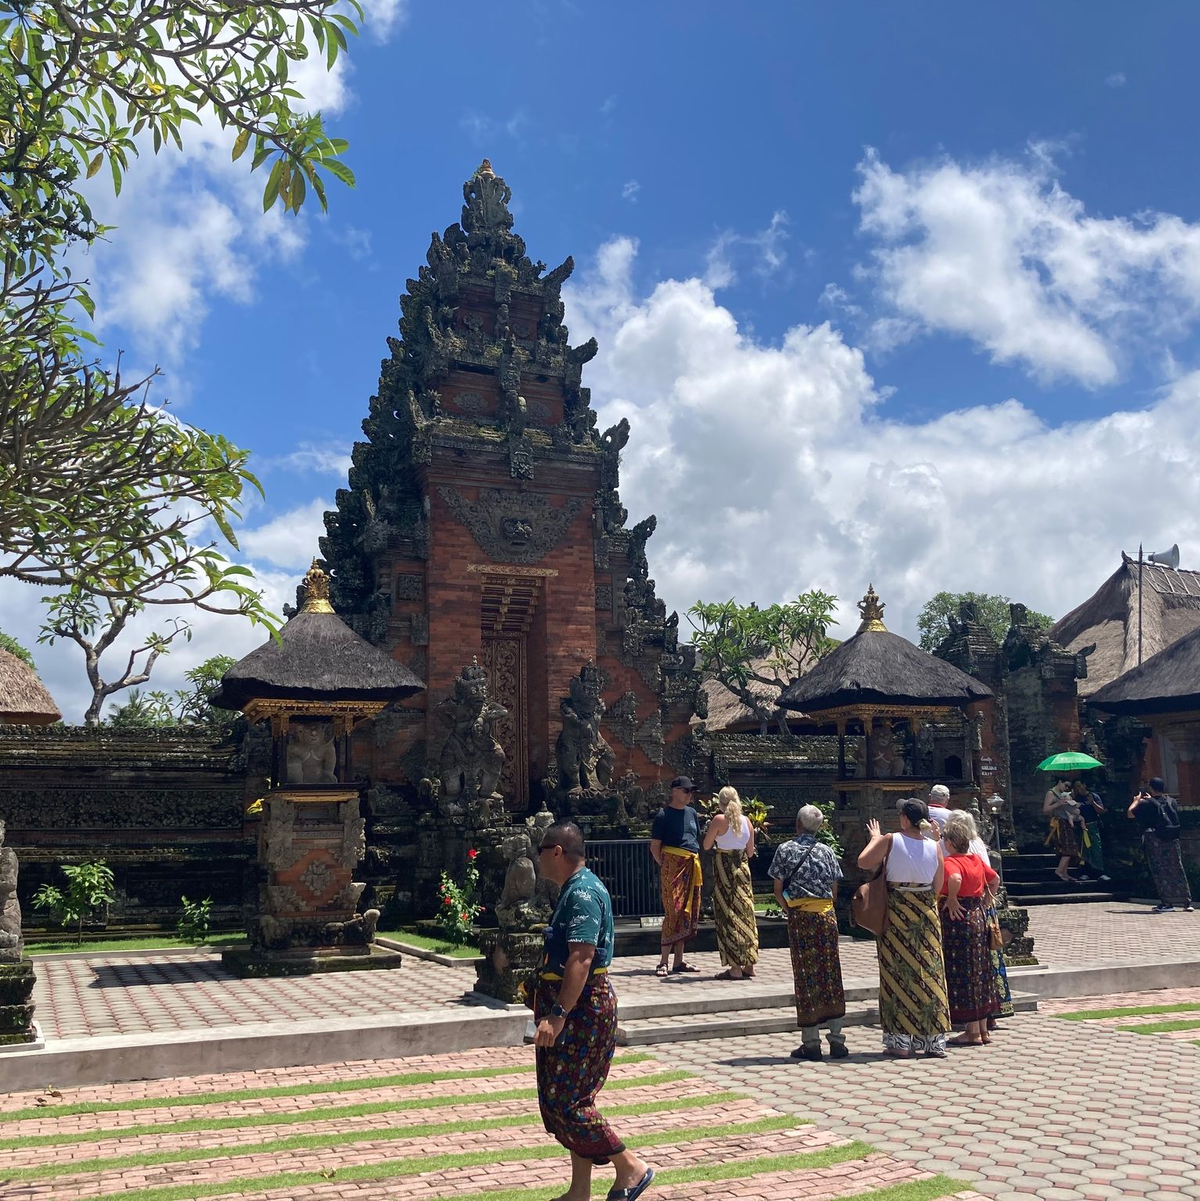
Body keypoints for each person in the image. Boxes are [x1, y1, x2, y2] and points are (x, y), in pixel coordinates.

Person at [533, 821, 655, 1201]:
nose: (536, 858)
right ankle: (579, 1190)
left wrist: (558, 1013)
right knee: (569, 1096)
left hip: (584, 1008)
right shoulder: (573, 889)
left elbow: (582, 959)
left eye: (540, 849)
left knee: (568, 1102)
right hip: (577, 1004)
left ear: (556, 852)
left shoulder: (582, 892)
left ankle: (630, 1168)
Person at [858, 798, 951, 1059]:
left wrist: (875, 838)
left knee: (896, 973)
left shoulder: (891, 839)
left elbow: (864, 861)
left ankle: (900, 1041)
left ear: (904, 819)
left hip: (897, 911)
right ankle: (934, 1040)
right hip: (925, 913)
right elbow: (938, 884)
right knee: (931, 972)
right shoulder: (935, 847)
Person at [768, 804, 847, 1061]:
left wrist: (790, 909)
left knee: (806, 977)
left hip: (800, 917)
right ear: (820, 827)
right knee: (831, 974)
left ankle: (811, 1042)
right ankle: (837, 1040)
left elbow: (778, 889)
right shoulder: (827, 851)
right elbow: (834, 891)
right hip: (825, 916)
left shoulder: (785, 849)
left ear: (797, 824)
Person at [939, 813, 1001, 1045]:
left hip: (959, 917)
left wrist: (953, 898)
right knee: (981, 971)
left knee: (964, 971)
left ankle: (972, 1031)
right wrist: (985, 901)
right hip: (978, 915)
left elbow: (954, 877)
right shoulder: (976, 859)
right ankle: (983, 1030)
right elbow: (994, 880)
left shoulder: (952, 861)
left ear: (951, 843)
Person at [702, 785, 759, 980]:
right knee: (746, 912)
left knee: (728, 914)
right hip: (742, 868)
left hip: (724, 868)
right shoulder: (747, 822)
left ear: (721, 802)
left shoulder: (719, 820)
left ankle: (735, 967)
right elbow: (750, 852)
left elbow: (707, 845)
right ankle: (749, 964)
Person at [649, 776, 703, 977]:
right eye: (686, 791)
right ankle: (663, 961)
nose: (690, 795)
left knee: (688, 912)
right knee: (673, 911)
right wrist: (667, 866)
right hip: (673, 866)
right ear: (675, 791)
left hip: (691, 865)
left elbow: (694, 838)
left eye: (691, 791)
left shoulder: (692, 813)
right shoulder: (663, 816)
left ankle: (679, 961)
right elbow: (655, 848)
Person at [1127, 778, 1194, 913]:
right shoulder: (1172, 801)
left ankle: (1167, 903)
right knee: (1177, 869)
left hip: (1156, 840)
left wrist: (1136, 801)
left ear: (1151, 788)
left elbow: (1130, 814)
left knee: (1160, 870)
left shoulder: (1147, 804)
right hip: (1172, 839)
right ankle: (1187, 901)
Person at [1043, 778, 1081, 882]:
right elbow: (1045, 809)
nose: (1066, 788)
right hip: (1060, 823)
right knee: (1069, 847)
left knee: (1071, 847)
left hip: (1067, 822)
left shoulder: (1063, 794)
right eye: (1065, 785)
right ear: (1060, 782)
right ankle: (1059, 871)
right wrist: (1058, 804)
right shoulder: (1051, 793)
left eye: (1069, 787)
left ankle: (1064, 872)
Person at [1072, 780, 1110, 882]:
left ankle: (1099, 872)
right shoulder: (1075, 798)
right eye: (1076, 787)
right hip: (1081, 827)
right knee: (1084, 851)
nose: (1078, 789)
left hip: (1093, 826)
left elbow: (1101, 811)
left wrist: (1092, 802)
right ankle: (1085, 872)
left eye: (1080, 786)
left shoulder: (1094, 796)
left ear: (1084, 785)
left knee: (1096, 849)